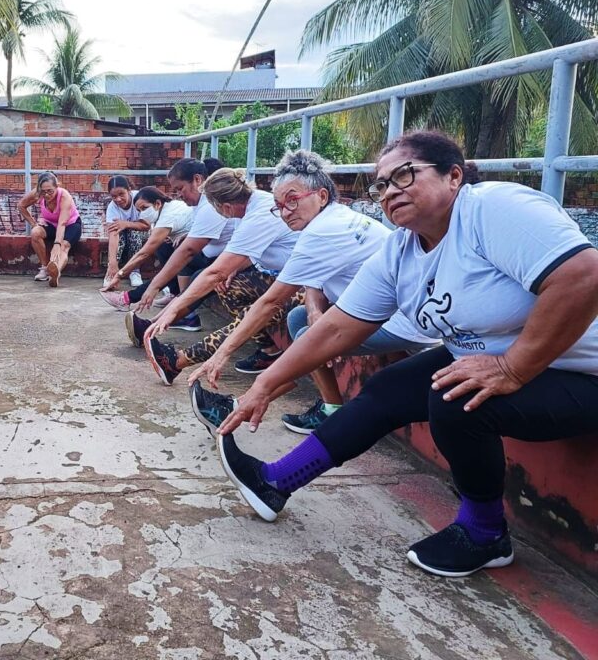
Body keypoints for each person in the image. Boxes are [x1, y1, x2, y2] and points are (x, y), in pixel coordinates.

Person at [214, 130, 598, 579]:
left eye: (404, 176)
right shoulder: (401, 249)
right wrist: (264, 386)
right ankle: (274, 481)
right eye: (381, 185)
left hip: (579, 373)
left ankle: (485, 533)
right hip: (496, 361)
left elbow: (583, 276)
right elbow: (338, 327)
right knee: (386, 390)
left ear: (453, 175)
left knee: (454, 401)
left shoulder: (492, 208)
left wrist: (513, 368)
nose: (389, 192)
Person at [186, 150, 435, 436]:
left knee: (308, 339)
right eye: (279, 205)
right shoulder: (334, 218)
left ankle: (238, 406)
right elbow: (315, 281)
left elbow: (269, 302)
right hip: (380, 312)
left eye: (293, 200)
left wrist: (222, 354)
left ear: (322, 196)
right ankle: (331, 409)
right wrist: (315, 310)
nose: (285, 211)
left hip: (407, 322)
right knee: (299, 318)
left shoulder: (323, 231)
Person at [141, 167, 301, 385]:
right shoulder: (245, 208)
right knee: (230, 286)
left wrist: (175, 308)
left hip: (305, 285)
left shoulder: (259, 213)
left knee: (252, 311)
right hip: (284, 276)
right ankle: (269, 351)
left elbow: (215, 272)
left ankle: (177, 362)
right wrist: (234, 269)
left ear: (225, 206)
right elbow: (247, 252)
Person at [113, 157, 236, 336]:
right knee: (174, 252)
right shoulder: (199, 204)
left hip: (227, 261)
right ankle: (163, 319)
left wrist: (154, 287)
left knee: (196, 274)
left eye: (180, 189)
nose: (178, 195)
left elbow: (188, 250)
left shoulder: (209, 205)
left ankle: (154, 325)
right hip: (214, 257)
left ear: (198, 180)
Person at [99, 187, 195, 321]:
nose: (142, 214)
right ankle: (174, 293)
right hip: (197, 248)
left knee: (178, 259)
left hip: (201, 253)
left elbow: (144, 253)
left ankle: (128, 298)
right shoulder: (166, 210)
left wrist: (120, 274)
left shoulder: (168, 215)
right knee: (164, 247)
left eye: (144, 208)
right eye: (139, 211)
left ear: (157, 203)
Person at [17, 172, 82, 287]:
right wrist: (34, 224)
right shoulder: (37, 194)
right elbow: (21, 206)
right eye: (43, 192)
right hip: (51, 224)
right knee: (35, 232)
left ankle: (55, 273)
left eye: (50, 191)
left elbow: (62, 224)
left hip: (70, 225)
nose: (47, 195)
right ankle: (44, 269)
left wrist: (57, 244)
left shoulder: (64, 196)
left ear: (57, 186)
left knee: (63, 246)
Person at [102, 175, 149, 289]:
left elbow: (146, 226)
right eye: (114, 196)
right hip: (122, 235)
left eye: (121, 194)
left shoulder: (139, 199)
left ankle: (135, 271)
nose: (118, 199)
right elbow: (113, 234)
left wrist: (126, 224)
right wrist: (112, 262)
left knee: (133, 233)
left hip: (141, 233)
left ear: (129, 190)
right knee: (119, 233)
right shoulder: (112, 207)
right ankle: (111, 272)